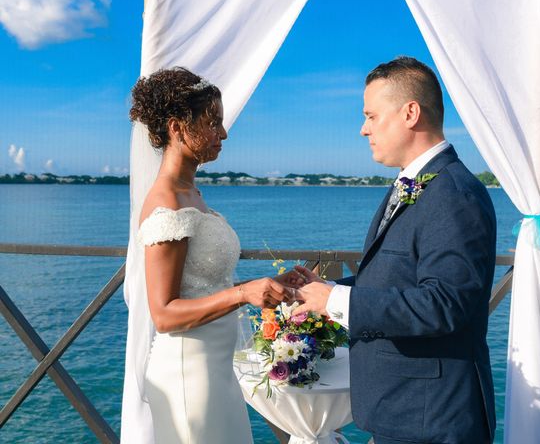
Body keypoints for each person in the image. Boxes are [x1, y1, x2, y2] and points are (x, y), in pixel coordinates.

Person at [293, 57, 497, 444]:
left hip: (431, 418)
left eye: (371, 116)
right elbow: (398, 276)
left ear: (410, 113)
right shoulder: (414, 184)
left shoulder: (454, 195)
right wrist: (321, 291)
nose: (363, 128)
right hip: (402, 411)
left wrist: (337, 300)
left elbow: (445, 303)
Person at [126, 67, 297, 443]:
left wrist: (261, 287)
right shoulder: (167, 202)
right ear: (176, 127)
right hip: (189, 374)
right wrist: (242, 294)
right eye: (212, 122)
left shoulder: (193, 194)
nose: (223, 133)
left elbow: (202, 287)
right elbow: (164, 314)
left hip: (217, 368)